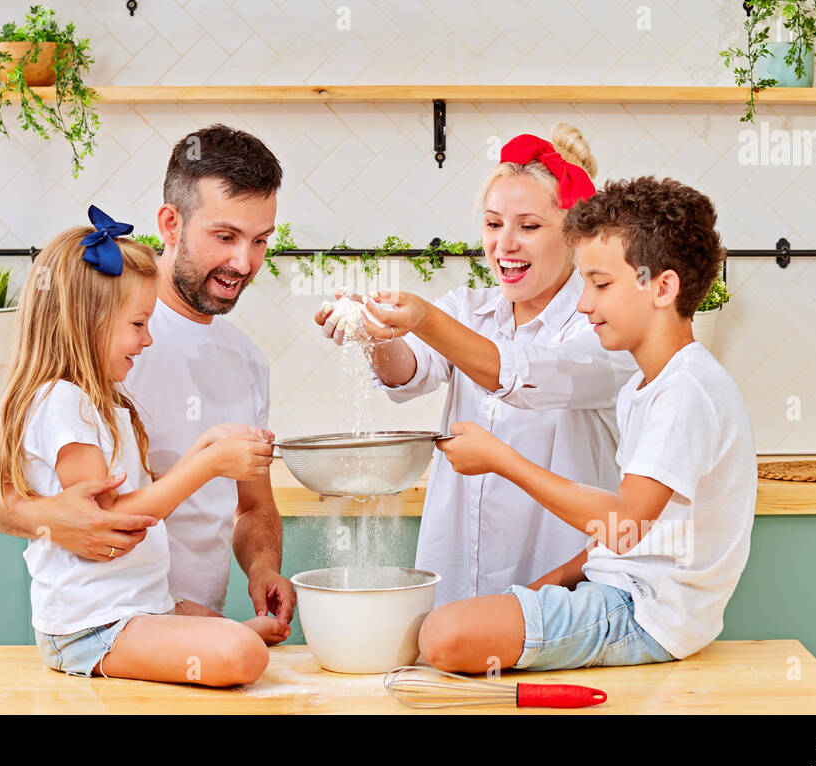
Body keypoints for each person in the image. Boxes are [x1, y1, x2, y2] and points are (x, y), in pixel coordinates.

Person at [0, 124, 295, 632]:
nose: (243, 262)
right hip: (106, 624)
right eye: (225, 237)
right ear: (170, 223)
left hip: (191, 623)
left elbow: (253, 507)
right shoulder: (102, 340)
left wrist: (264, 567)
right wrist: (51, 519)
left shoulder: (247, 362)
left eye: (259, 241)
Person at [417, 176, 758, 672]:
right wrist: (551, 582)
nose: (583, 303)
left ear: (663, 287)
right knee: (456, 621)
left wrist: (502, 460)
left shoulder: (687, 392)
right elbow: (624, 538)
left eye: (600, 284)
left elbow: (623, 528)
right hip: (620, 590)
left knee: (443, 635)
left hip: (645, 613)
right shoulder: (647, 386)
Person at [316, 124, 638, 606]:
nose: (504, 244)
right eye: (493, 224)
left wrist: (423, 317)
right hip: (458, 566)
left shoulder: (601, 327)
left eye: (528, 227)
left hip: (561, 577)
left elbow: (522, 374)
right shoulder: (468, 310)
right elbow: (408, 372)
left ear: (573, 237)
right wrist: (376, 331)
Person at [0, 208, 283, 682]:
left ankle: (220, 629)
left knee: (234, 635)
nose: (147, 340)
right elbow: (113, 520)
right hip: (95, 625)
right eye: (139, 325)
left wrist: (207, 445)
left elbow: (137, 490)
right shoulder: (64, 403)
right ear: (89, 323)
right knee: (243, 653)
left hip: (138, 607)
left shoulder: (103, 401)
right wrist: (207, 466)